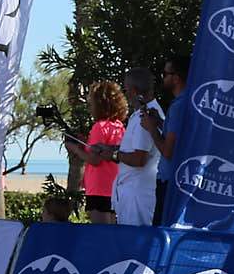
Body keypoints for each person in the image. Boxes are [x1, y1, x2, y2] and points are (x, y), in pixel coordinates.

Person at [64, 81, 126, 225]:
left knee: (100, 232)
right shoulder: (119, 126)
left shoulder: (99, 127)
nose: (89, 108)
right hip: (114, 187)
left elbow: (94, 160)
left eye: (91, 104)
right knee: (112, 230)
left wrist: (74, 149)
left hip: (99, 188)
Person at [109, 68, 163, 226]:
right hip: (134, 193)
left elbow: (140, 158)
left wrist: (114, 155)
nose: (125, 94)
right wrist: (112, 149)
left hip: (137, 196)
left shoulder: (145, 117)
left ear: (133, 91)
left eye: (125, 89)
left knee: (134, 246)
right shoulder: (143, 114)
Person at [152, 55, 190, 218]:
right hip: (180, 178)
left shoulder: (179, 106)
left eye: (165, 74)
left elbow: (168, 151)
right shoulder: (189, 101)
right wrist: (160, 122)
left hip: (169, 180)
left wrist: (151, 128)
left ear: (176, 78)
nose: (163, 77)